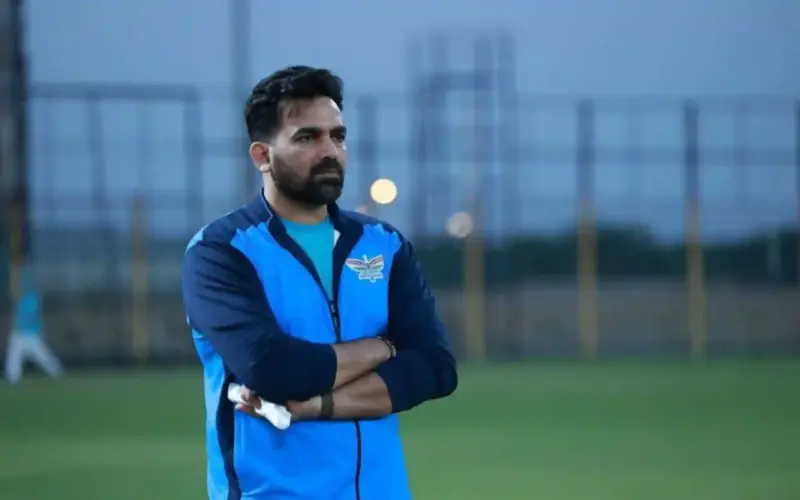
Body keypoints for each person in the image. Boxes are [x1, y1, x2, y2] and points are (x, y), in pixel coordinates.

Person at [181, 65, 458, 500]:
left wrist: (314, 407)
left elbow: (435, 369)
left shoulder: (384, 245)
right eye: (307, 138)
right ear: (262, 156)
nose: (329, 151)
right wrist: (384, 348)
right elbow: (273, 370)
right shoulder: (221, 252)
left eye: (338, 136)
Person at [4, 264, 63, 384]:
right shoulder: (20, 299)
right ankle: (12, 379)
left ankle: (57, 372)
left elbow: (34, 316)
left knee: (44, 357)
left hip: (31, 334)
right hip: (19, 334)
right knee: (13, 358)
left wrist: (40, 330)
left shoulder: (34, 299)